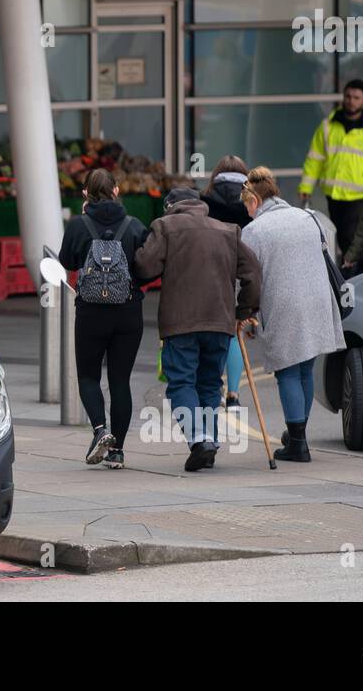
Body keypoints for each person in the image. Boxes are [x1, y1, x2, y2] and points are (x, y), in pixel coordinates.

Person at [135, 187, 261, 472]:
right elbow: (252, 271)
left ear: (171, 206)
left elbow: (144, 266)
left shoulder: (166, 226)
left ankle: (199, 439)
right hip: (220, 321)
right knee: (209, 383)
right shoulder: (227, 230)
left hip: (181, 322)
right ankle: (210, 441)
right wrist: (243, 310)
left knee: (181, 382)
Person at [240, 167, 346, 462]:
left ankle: (298, 444)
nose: (247, 213)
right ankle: (297, 432)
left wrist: (246, 313)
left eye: (247, 206)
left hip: (284, 305)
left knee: (287, 370)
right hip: (317, 301)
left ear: (255, 201)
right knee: (304, 370)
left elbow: (249, 278)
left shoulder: (254, 231)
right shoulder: (309, 218)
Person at [58, 168, 149, 469]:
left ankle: (100, 430)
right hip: (128, 312)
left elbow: (66, 262)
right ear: (116, 191)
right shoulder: (134, 225)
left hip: (91, 312)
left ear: (85, 193)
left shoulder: (77, 225)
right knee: (120, 380)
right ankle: (118, 451)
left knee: (88, 376)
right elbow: (146, 268)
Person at [298, 79, 363, 260]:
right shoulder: (327, 126)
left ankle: (355, 272)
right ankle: (353, 270)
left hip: (360, 194)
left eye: (356, 97)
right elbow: (315, 159)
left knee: (351, 238)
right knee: (340, 235)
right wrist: (306, 187)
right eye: (348, 96)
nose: (351, 101)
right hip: (333, 194)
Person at [201, 155, 249, 409]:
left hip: (209, 272)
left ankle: (213, 387)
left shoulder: (204, 201)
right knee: (234, 332)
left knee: (210, 331)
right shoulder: (250, 203)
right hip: (239, 272)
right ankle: (233, 394)